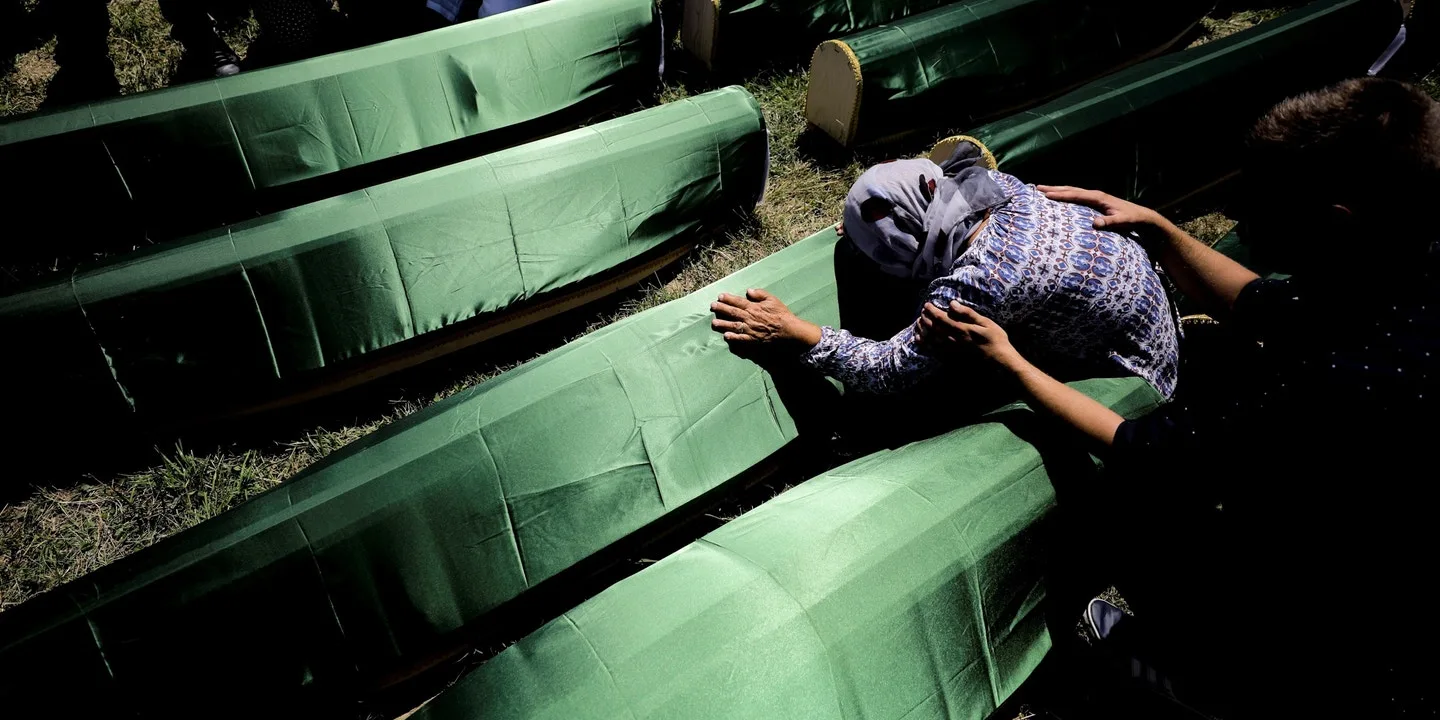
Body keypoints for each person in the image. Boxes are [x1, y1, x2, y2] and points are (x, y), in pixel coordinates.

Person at [920, 77, 1440, 717]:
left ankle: (1217, 682)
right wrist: (1159, 228)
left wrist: (1012, 365)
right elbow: (1263, 305)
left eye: (1260, 205)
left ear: (1336, 226)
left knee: (1137, 527)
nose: (1238, 218)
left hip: (1377, 625)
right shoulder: (1399, 266)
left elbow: (1143, 449)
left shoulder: (1352, 385)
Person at [709, 140, 1181, 406]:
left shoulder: (978, 283)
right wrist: (883, 226)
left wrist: (795, 332)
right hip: (1155, 321)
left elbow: (889, 370)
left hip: (1128, 382)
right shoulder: (998, 188)